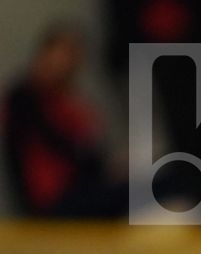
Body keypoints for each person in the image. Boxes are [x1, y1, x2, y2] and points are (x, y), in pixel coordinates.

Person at [2, 24, 126, 219]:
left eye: (75, 53)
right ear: (45, 53)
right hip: (55, 200)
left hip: (84, 190)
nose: (70, 60)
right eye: (65, 51)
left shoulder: (73, 102)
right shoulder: (24, 97)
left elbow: (93, 150)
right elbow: (67, 149)